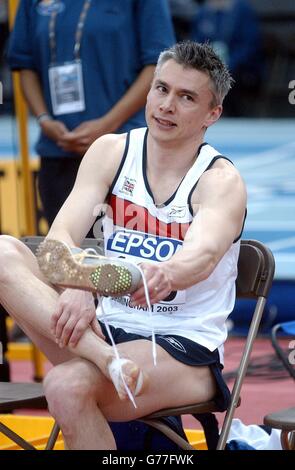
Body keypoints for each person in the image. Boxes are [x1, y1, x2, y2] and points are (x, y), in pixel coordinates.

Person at [0, 41, 247, 449]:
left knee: (65, 384)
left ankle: (105, 361)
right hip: (103, 334)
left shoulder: (220, 181)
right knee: (4, 251)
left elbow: (200, 257)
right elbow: (59, 241)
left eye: (186, 97)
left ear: (212, 114)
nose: (167, 105)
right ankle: (105, 360)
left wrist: (162, 274)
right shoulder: (111, 150)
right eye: (162, 89)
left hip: (181, 347)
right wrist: (81, 284)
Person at [7, 0, 175, 227]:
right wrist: (43, 118)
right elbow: (24, 64)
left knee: (124, 255)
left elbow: (158, 66)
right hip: (59, 152)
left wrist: (108, 124)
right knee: (65, 252)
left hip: (125, 153)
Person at [190, 0, 263, 116]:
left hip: (240, 68)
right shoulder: (203, 11)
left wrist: (228, 64)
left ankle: (230, 115)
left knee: (227, 80)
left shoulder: (242, 9)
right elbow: (195, 44)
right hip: (209, 66)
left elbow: (249, 45)